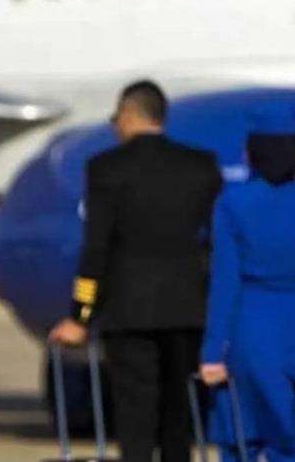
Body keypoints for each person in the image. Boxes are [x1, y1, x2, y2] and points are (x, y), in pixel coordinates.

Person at [49, 80, 222, 462]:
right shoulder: (200, 166)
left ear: (128, 115)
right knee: (179, 414)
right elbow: (215, 243)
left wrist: (81, 315)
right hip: (186, 310)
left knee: (134, 415)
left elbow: (96, 250)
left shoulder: (106, 169)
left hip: (128, 313)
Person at [199, 108, 295, 462]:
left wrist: (212, 351)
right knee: (291, 442)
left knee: (240, 438)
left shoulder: (232, 203)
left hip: (250, 325)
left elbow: (225, 281)